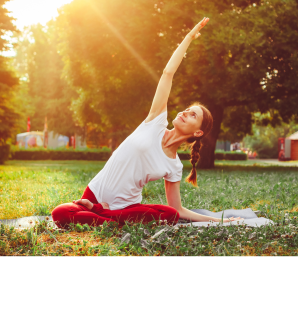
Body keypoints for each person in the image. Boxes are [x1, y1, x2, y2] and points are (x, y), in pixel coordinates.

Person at [51, 17, 241, 228]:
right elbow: (168, 73)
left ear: (197, 133)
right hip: (94, 196)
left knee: (168, 214)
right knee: (60, 213)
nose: (186, 113)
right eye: (187, 109)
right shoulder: (156, 121)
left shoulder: (174, 165)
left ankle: (101, 216)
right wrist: (188, 38)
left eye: (193, 115)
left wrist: (219, 221)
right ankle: (105, 215)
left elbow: (178, 210)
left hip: (127, 207)